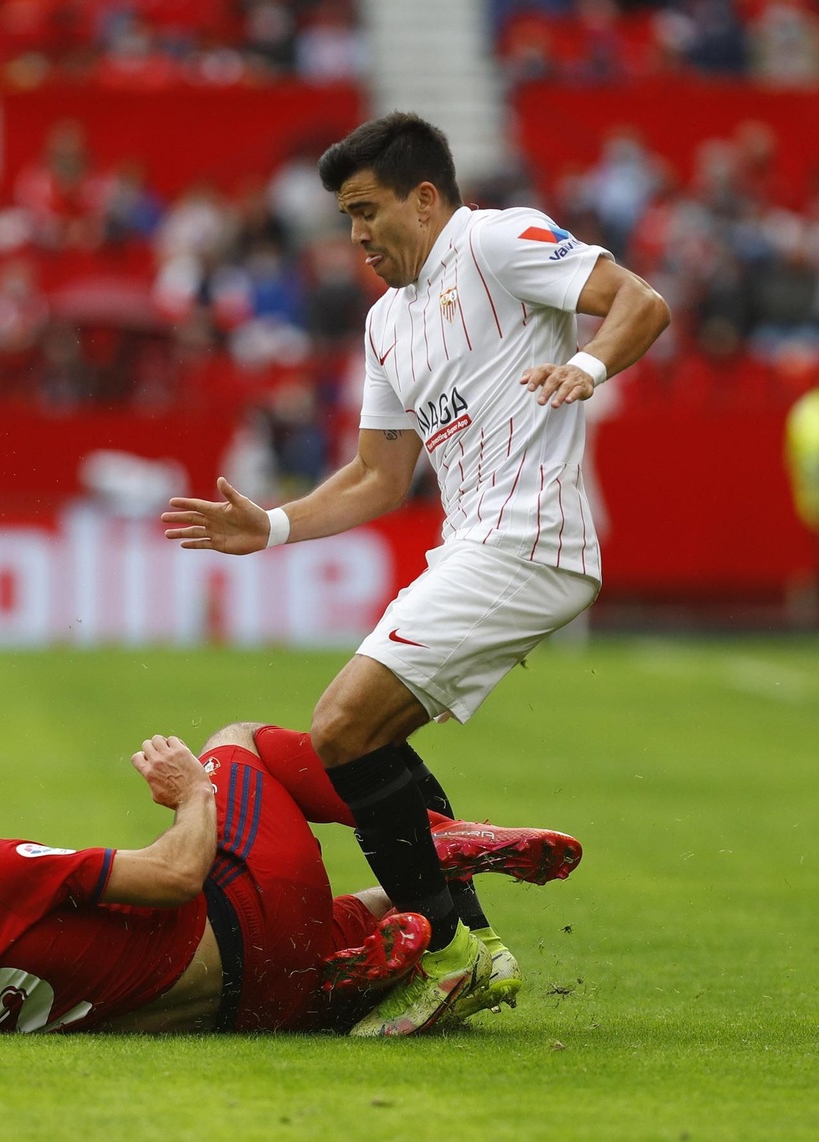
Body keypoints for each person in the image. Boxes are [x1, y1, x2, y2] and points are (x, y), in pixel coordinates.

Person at [162, 111, 670, 1036]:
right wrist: (271, 525)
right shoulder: (386, 323)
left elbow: (641, 300)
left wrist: (588, 366)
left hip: (528, 539)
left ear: (425, 198)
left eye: (366, 210)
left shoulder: (497, 240)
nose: (355, 235)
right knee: (363, 737)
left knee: (339, 726)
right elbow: (378, 476)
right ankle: (465, 931)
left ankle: (446, 947)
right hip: (471, 544)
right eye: (344, 218)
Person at [0, 724, 582, 1035]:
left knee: (349, 912)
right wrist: (190, 792)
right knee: (241, 743)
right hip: (246, 921)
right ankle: (435, 852)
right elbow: (180, 874)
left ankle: (388, 941)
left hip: (255, 1011)